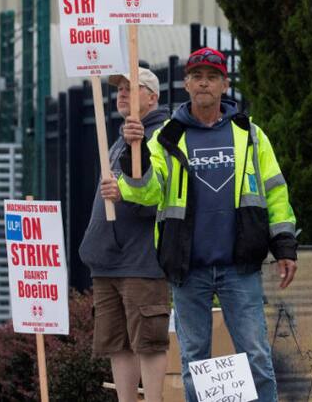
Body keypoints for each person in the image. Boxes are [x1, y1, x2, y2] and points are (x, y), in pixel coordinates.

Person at [102, 47, 298, 402]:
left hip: (240, 266)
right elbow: (147, 193)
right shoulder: (166, 137)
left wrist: (284, 244)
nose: (204, 83)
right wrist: (138, 153)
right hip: (188, 268)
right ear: (187, 84)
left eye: (212, 77)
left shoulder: (251, 135)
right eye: (197, 77)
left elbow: (275, 192)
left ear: (224, 85)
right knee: (195, 362)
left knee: (256, 358)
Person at [79, 67, 170, 402]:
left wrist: (126, 190)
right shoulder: (119, 139)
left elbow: (157, 196)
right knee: (117, 342)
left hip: (140, 260)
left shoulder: (162, 135)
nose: (122, 94)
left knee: (148, 339)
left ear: (153, 96)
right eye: (120, 89)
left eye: (133, 88)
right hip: (108, 261)